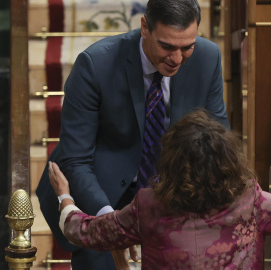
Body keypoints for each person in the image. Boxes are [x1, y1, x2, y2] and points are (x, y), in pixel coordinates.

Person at [36, 0, 229, 269]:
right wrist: (109, 223)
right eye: (167, 46)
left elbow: (218, 143)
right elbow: (76, 160)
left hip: (175, 191)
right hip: (103, 194)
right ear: (144, 27)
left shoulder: (207, 58)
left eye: (187, 47)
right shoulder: (95, 64)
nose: (177, 59)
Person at [49, 110, 271, 270]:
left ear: (170, 160)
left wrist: (65, 196)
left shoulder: (148, 205)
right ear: (229, 159)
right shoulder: (251, 201)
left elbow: (86, 232)